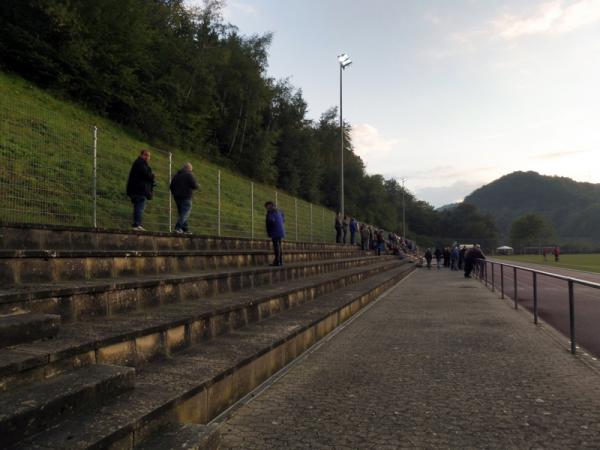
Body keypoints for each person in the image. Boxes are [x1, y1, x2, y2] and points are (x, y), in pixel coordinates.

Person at [126, 149, 155, 231]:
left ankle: (137, 224)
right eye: (146, 155)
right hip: (139, 190)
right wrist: (152, 175)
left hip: (137, 189)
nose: (147, 157)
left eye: (149, 156)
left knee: (138, 207)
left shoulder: (139, 163)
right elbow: (146, 174)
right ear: (141, 155)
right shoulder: (140, 163)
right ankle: (137, 224)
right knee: (139, 207)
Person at [169, 162, 199, 234]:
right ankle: (177, 228)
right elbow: (194, 185)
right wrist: (198, 185)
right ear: (188, 169)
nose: (191, 171)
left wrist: (175, 194)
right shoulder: (189, 175)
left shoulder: (176, 176)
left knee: (181, 213)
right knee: (185, 213)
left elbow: (171, 186)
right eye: (191, 170)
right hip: (186, 197)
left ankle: (185, 229)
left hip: (177, 198)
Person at [265, 201, 285, 266]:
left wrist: (269, 231)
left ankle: (277, 262)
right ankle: (280, 261)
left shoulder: (271, 212)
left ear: (270, 205)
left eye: (267, 206)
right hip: (280, 230)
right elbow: (283, 219)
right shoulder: (279, 211)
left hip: (275, 231)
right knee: (279, 246)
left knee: (276, 246)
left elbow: (271, 220)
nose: (266, 208)